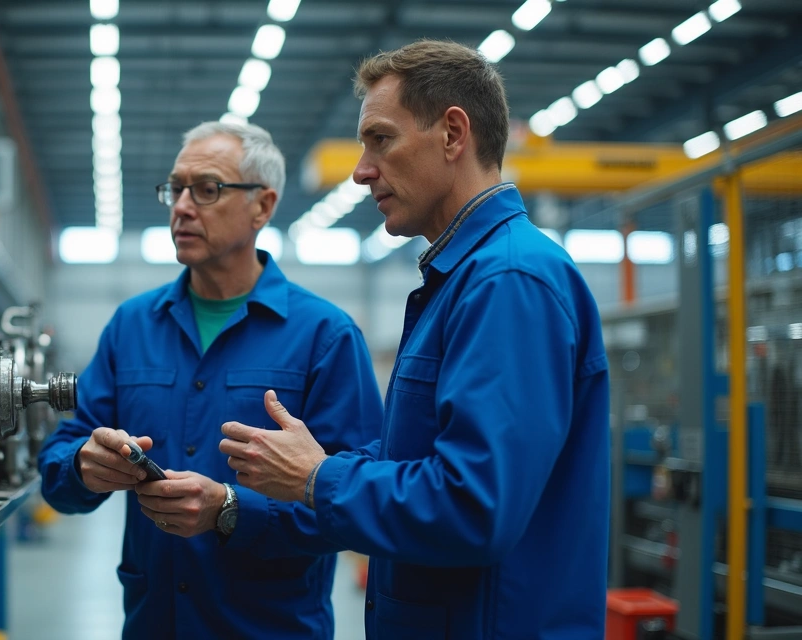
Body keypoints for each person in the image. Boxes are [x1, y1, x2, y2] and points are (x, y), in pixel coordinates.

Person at [220, 40, 610, 639]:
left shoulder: (507, 281)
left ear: (453, 134)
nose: (361, 170)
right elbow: (417, 461)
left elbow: (475, 507)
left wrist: (318, 478)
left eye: (381, 139)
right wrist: (265, 490)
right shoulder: (464, 279)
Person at [37, 121, 382, 639]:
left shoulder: (325, 337)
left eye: (207, 189)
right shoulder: (131, 327)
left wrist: (231, 511)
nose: (181, 206)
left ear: (262, 207)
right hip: (154, 624)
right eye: (176, 189)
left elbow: (357, 501)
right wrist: (83, 467)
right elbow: (58, 462)